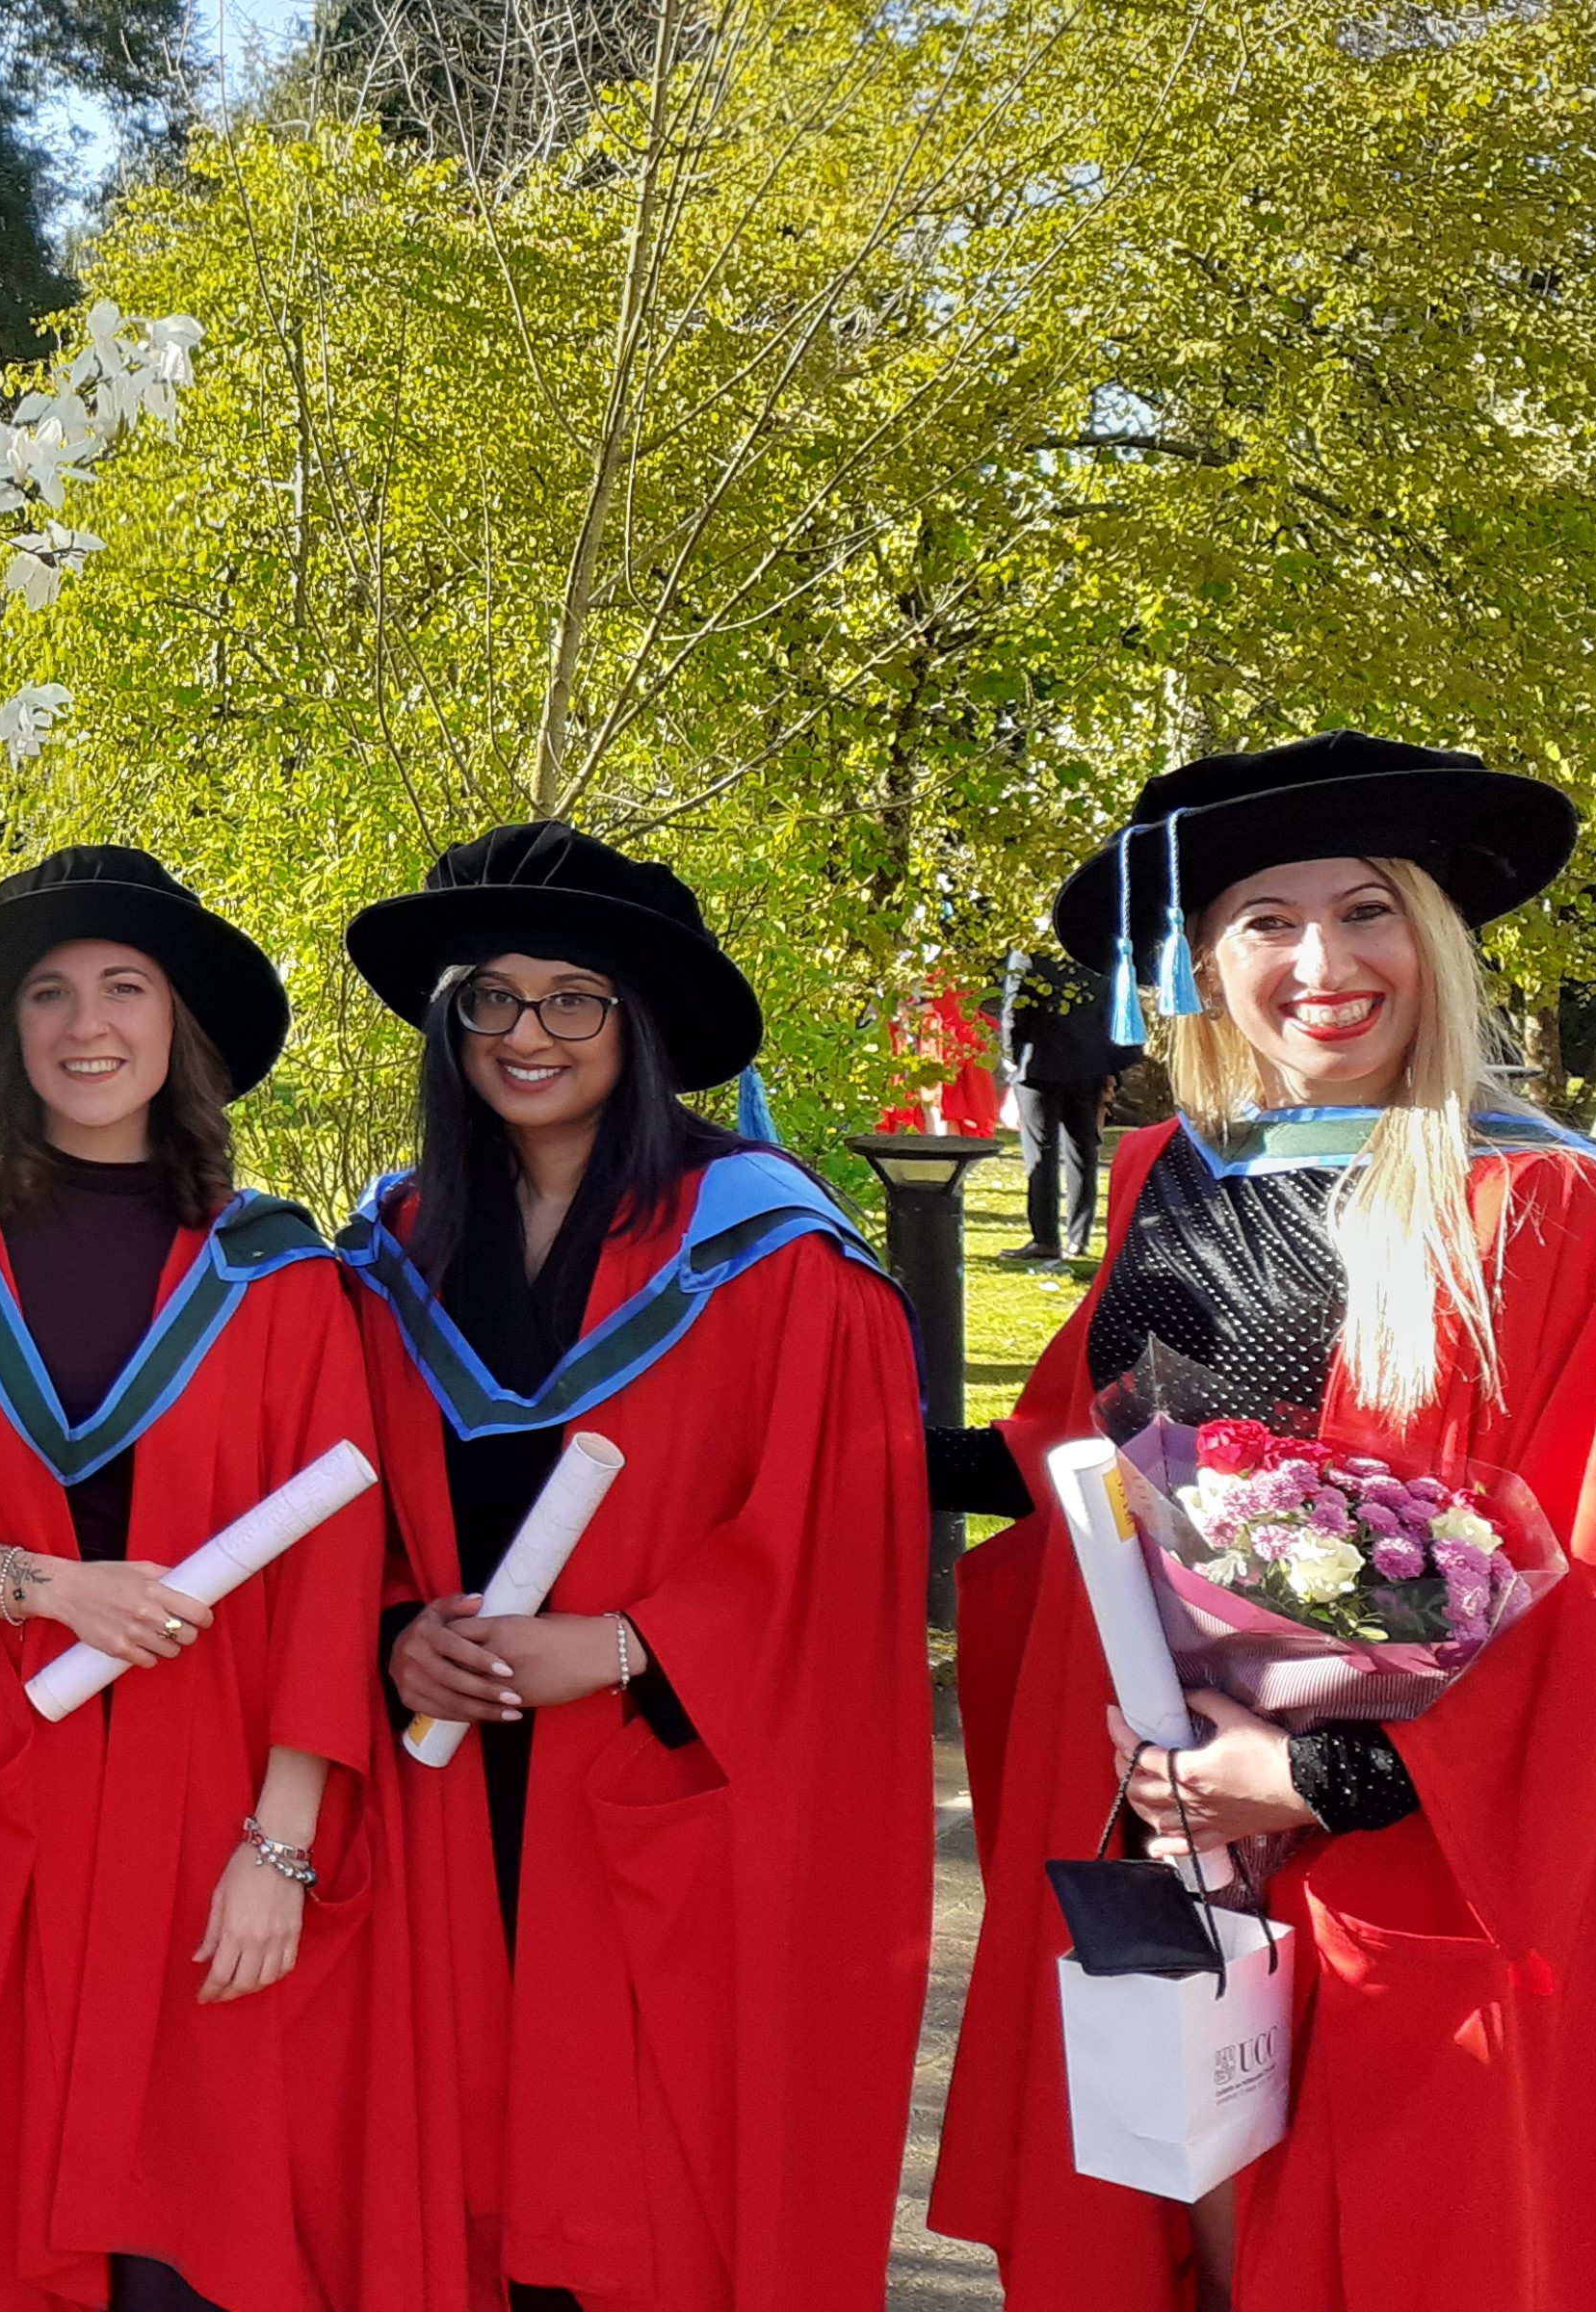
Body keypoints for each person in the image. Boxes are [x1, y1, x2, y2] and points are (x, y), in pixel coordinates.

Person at [926, 734, 1596, 2312]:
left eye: (1364, 910)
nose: (1320, 964)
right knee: (1179, 2229)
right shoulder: (1172, 1179)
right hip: (1170, 1815)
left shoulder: (1551, 1210)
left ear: (1434, 943)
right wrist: (819, 1450)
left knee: (1403, 2242)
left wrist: (1321, 1773)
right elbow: (1089, 1446)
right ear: (1201, 961)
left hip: (1409, 1854)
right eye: (1264, 919)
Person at [0, 846, 451, 2312]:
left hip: (207, 1801)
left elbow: (332, 1566)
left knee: (198, 2219)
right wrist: (37, 1584)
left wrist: (280, 1847)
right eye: (49, 992)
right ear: (9, 1035)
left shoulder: (276, 1271)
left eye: (125, 986)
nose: (85, 1023)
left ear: (179, 1031)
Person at [335, 820, 928, 2312]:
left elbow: (837, 1545)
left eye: (572, 999)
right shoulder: (397, 1246)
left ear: (636, 1023)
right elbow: (339, 1505)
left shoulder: (773, 1254)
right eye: (491, 998)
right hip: (449, 1785)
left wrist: (621, 1647)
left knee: (657, 2192)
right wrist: (400, 1633)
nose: (526, 1035)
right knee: (451, 2164)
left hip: (661, 1780)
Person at [997, 942, 1134, 1266]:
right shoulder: (1099, 953)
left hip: (1039, 1064)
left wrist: (1010, 1058)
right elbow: (1115, 1011)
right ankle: (1079, 1237)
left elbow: (1014, 1008)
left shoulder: (1031, 953)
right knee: (1083, 1152)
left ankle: (1046, 1239)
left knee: (1040, 1154)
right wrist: (1112, 1066)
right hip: (1088, 1065)